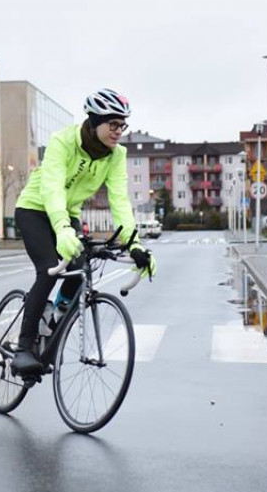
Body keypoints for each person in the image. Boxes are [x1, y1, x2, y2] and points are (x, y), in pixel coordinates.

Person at [10, 88, 157, 376]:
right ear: (95, 121)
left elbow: (119, 199)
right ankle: (23, 348)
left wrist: (134, 243)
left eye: (122, 125)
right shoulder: (62, 142)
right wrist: (62, 229)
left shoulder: (116, 156)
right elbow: (52, 189)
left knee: (81, 270)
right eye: (113, 124)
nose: (118, 131)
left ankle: (53, 321)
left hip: (70, 214)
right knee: (50, 269)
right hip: (35, 210)